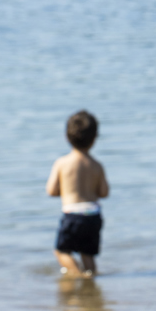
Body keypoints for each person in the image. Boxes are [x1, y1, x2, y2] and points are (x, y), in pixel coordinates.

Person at [46, 110, 109, 277]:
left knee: (61, 252)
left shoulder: (62, 163)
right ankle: (91, 278)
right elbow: (104, 192)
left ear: (67, 137)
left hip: (73, 214)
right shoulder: (96, 165)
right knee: (87, 254)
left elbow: (51, 190)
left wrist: (66, 190)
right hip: (93, 214)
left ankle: (79, 276)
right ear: (95, 138)